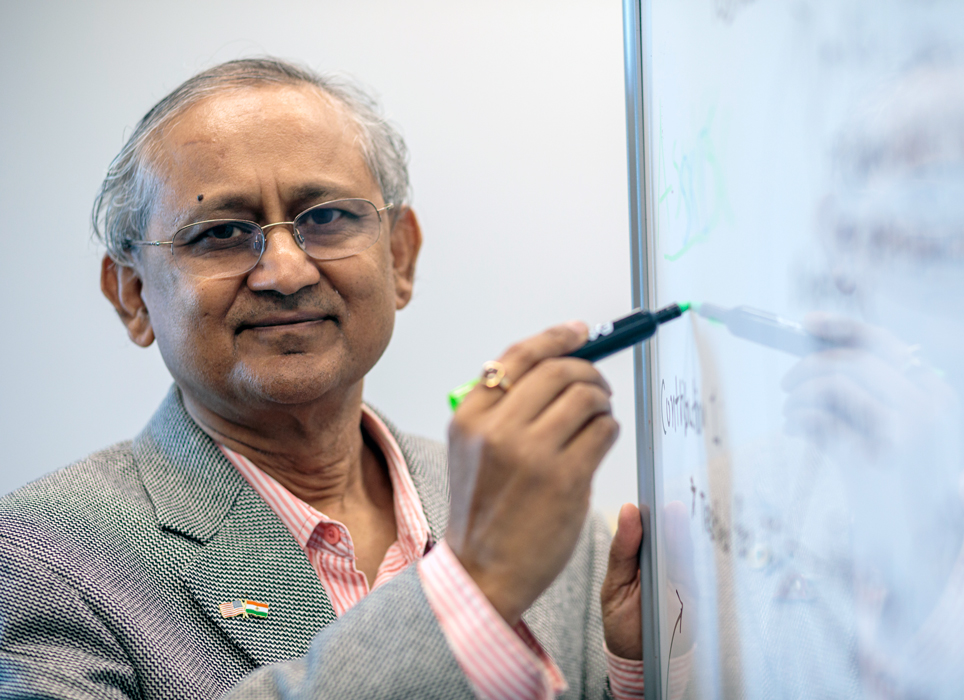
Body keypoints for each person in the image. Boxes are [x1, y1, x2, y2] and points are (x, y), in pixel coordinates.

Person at [0, 58, 645, 699]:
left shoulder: (527, 505)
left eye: (327, 219)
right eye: (222, 232)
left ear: (399, 255)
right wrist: (466, 589)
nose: (287, 272)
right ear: (133, 296)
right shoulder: (41, 555)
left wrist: (633, 674)